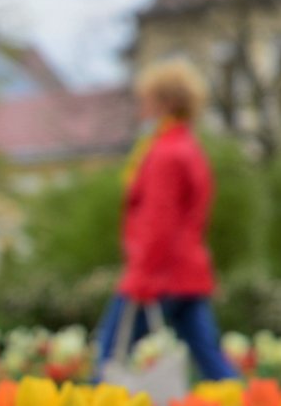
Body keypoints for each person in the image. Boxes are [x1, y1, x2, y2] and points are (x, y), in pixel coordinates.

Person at [95, 59, 238, 380]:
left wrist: (141, 277)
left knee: (111, 350)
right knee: (208, 356)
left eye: (146, 99)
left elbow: (157, 222)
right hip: (188, 270)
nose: (141, 107)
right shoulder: (190, 148)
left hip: (159, 272)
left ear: (166, 103)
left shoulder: (165, 153)